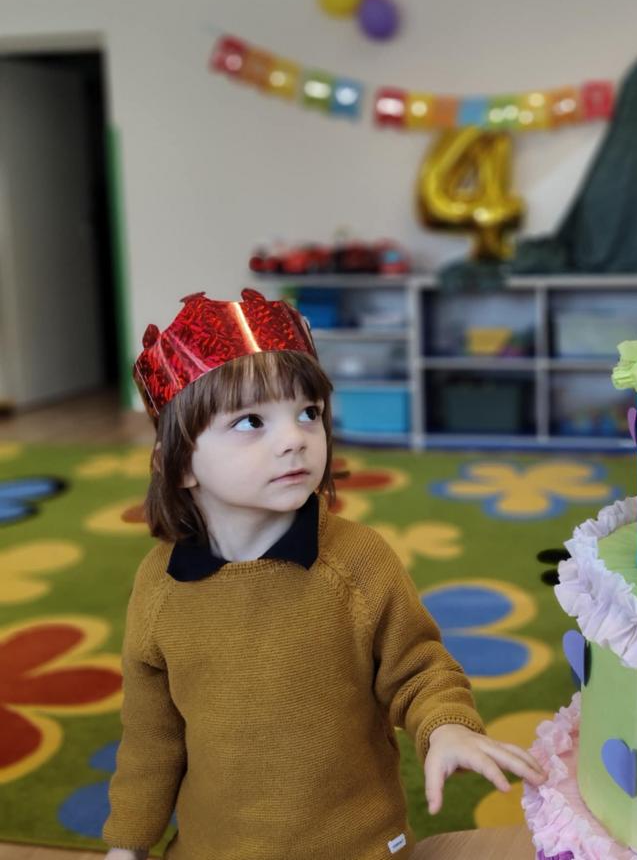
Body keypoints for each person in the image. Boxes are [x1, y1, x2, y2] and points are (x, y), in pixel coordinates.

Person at [103, 290, 544, 860]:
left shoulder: (357, 560)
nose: (295, 438)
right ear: (179, 463)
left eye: (308, 413)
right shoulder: (159, 587)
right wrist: (128, 846)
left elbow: (418, 668)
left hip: (356, 847)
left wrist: (447, 727)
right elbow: (151, 739)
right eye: (251, 421)